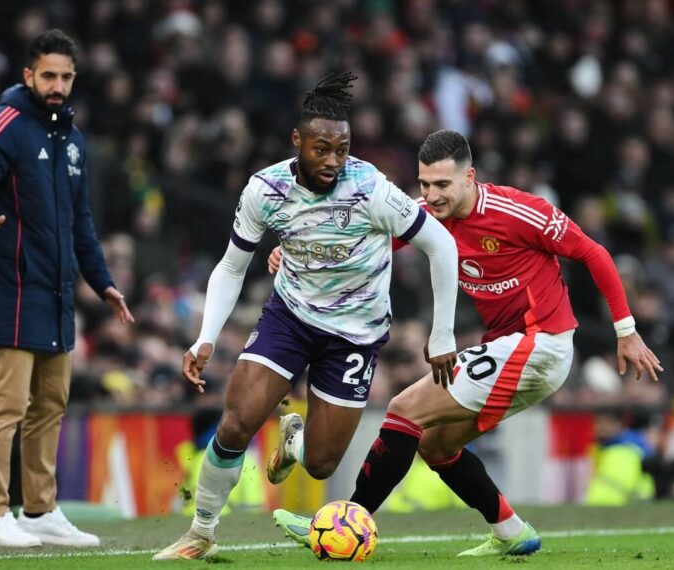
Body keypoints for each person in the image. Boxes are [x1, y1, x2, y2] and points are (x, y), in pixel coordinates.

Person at [270, 129, 662, 557]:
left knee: (404, 409)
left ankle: (342, 522)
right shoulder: (423, 216)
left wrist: (626, 331)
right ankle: (513, 532)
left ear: (469, 177)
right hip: (512, 350)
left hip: (539, 343)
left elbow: (593, 253)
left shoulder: (519, 211)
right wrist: (295, 255)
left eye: (442, 185)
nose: (432, 195)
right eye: (424, 184)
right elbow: (364, 244)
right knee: (436, 445)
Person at [153, 73, 459, 561]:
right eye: (322, 149)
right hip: (290, 318)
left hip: (356, 337)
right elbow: (232, 266)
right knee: (235, 423)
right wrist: (205, 337)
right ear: (298, 141)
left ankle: (292, 443)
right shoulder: (265, 190)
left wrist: (442, 333)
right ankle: (202, 532)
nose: (333, 160)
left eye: (342, 149)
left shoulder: (371, 189)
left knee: (320, 464)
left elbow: (441, 245)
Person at [0, 29, 134, 548]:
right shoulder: (5, 124)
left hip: (55, 295)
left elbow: (81, 222)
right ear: (28, 75)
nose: (57, 85)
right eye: (48, 75)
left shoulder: (71, 140)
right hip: (10, 288)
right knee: (6, 405)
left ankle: (38, 510)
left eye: (66, 77)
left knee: (50, 405)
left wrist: (103, 283)